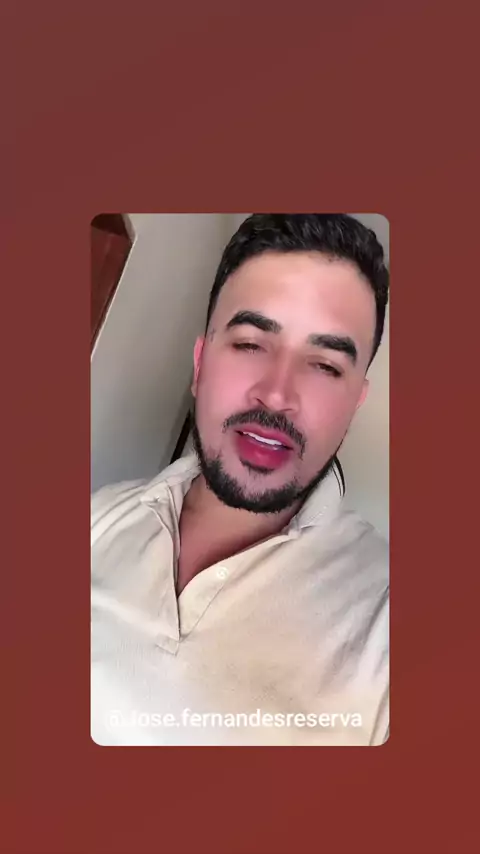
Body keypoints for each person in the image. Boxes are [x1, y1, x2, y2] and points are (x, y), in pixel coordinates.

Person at [91, 213, 389, 746]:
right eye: (250, 344)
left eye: (325, 365)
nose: (276, 394)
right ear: (200, 365)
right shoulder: (95, 520)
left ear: (355, 402)